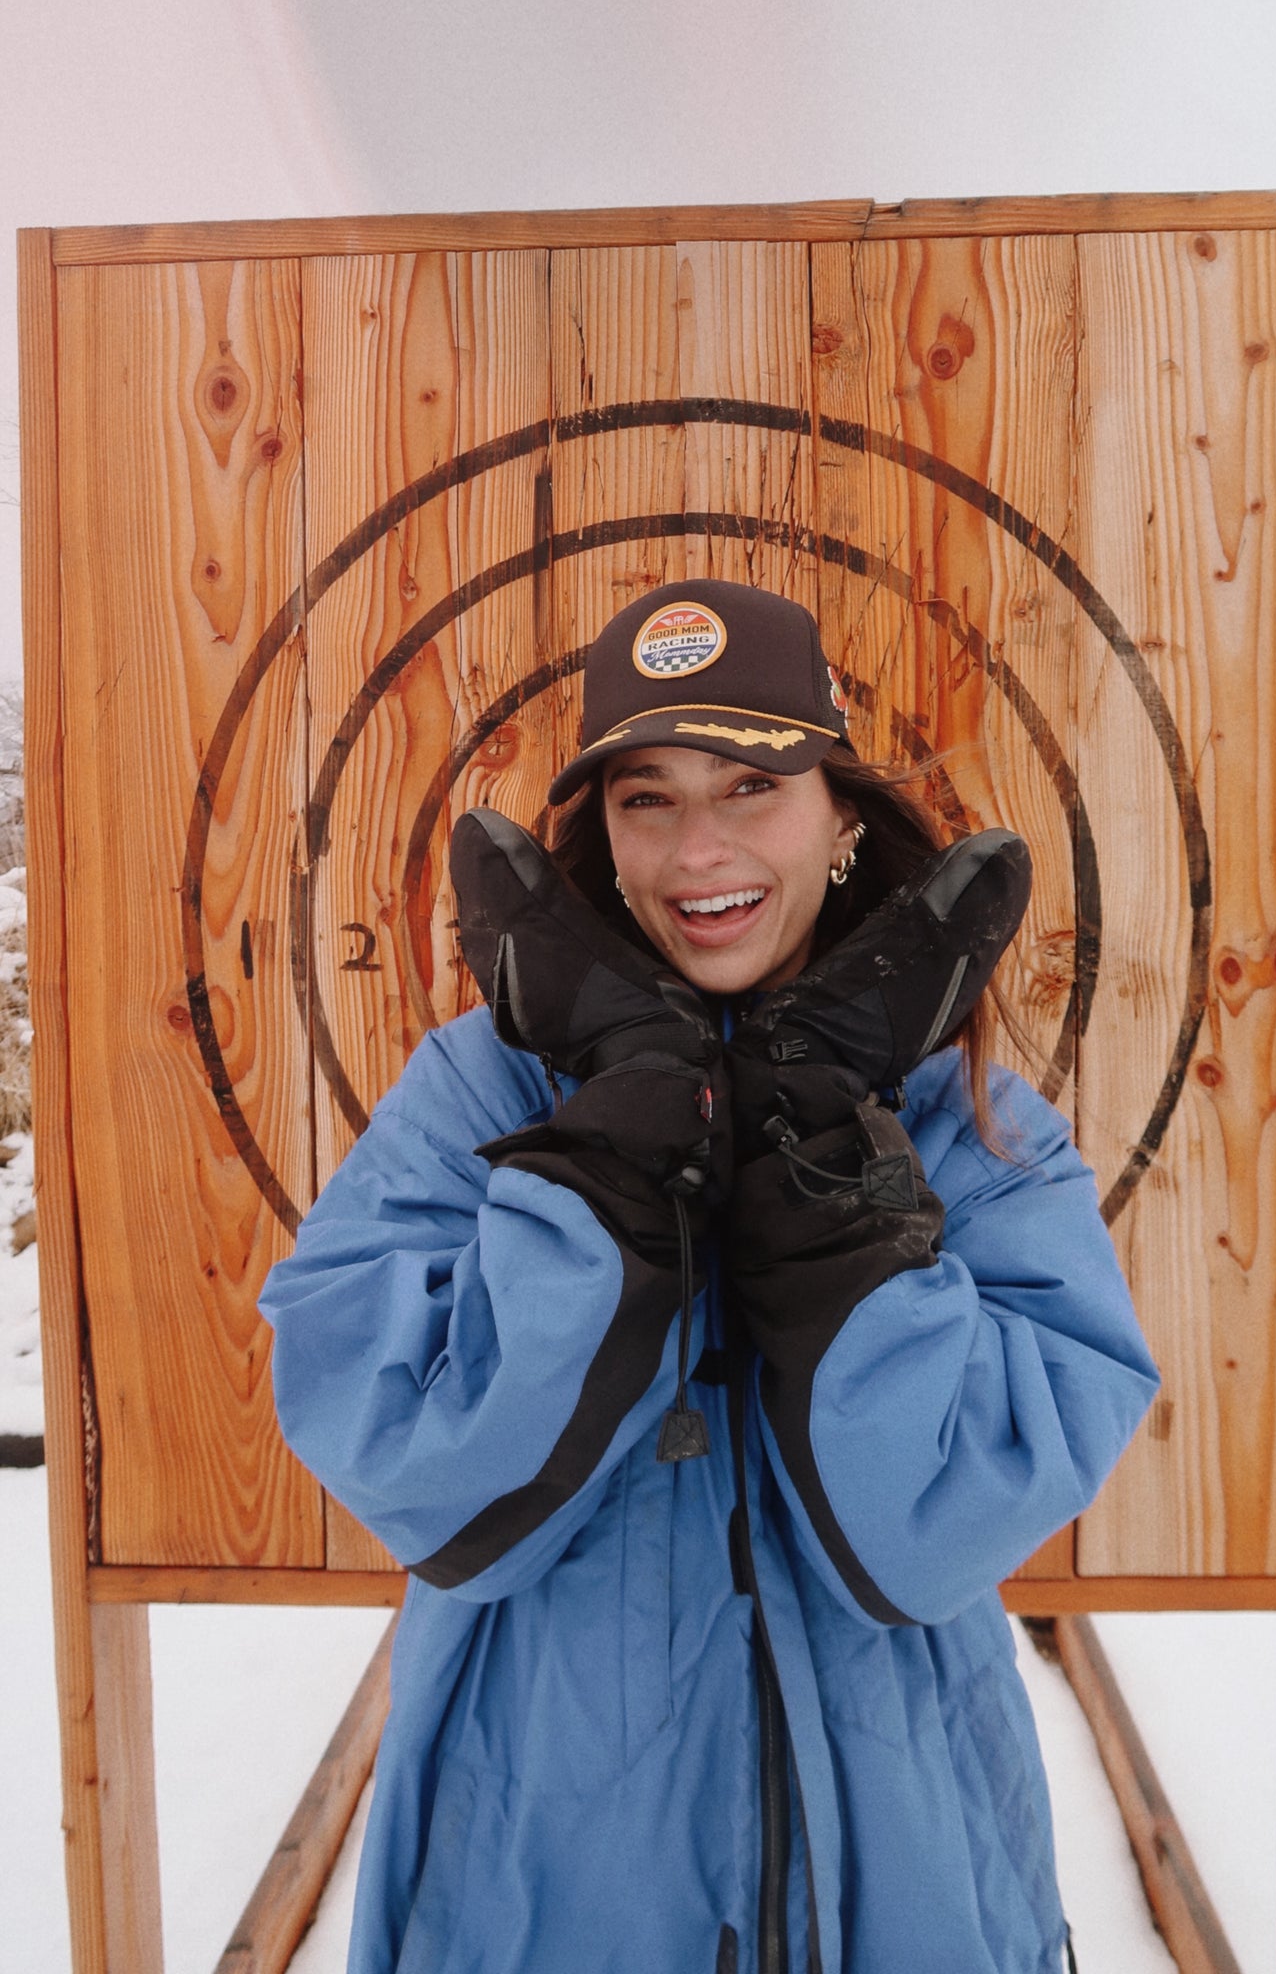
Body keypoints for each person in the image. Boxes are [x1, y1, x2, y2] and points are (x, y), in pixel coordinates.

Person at [259, 578, 1160, 1974]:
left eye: (752, 785)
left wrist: (832, 1195)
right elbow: (415, 1466)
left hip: (899, 1828)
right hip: (537, 1840)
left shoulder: (957, 1113)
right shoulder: (477, 1089)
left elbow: (948, 1527)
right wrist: (600, 1170)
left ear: (841, 817)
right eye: (646, 798)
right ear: (600, 839)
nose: (698, 850)